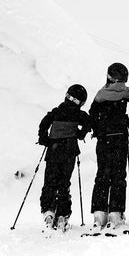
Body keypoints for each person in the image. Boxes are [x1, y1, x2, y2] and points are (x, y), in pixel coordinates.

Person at [89, 62, 129, 230]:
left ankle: (99, 213)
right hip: (120, 137)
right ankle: (115, 213)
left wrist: (99, 128)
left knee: (102, 174)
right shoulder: (127, 92)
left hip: (104, 138)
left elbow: (92, 114)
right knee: (119, 175)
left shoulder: (100, 94)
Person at [37, 84, 91, 230]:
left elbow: (43, 124)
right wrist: (81, 134)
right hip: (69, 152)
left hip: (53, 151)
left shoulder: (56, 111)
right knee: (64, 183)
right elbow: (88, 122)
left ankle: (48, 211)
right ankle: (62, 214)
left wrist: (44, 139)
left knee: (50, 181)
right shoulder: (79, 115)